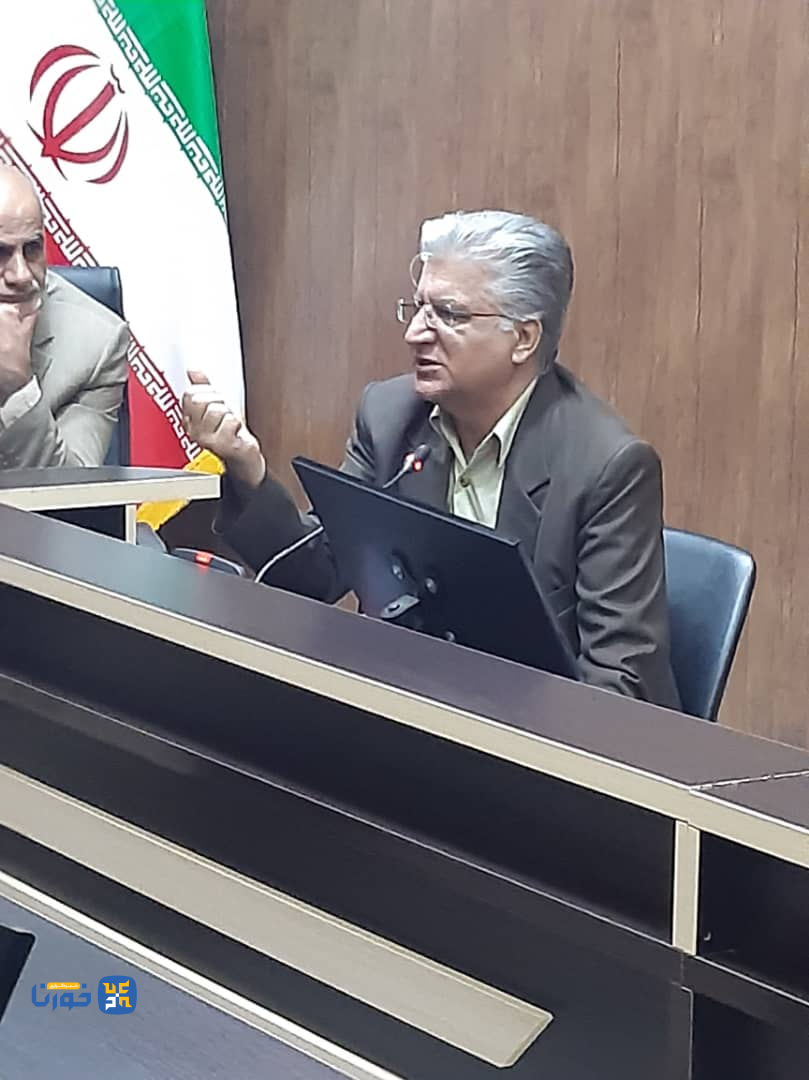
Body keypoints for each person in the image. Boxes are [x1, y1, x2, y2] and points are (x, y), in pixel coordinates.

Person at [183, 210, 680, 708]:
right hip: (409, 712)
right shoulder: (390, 417)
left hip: (532, 731)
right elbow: (316, 573)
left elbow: (621, 690)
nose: (416, 333)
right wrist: (246, 467)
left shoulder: (607, 466)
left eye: (450, 314)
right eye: (418, 307)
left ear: (524, 338)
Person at [0, 165, 129, 469]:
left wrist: (19, 389)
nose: (21, 275)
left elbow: (72, 486)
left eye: (32, 249)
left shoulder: (97, 345)